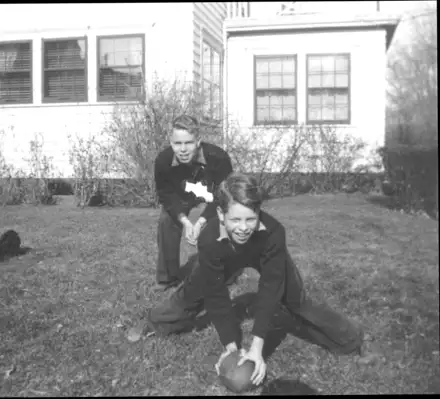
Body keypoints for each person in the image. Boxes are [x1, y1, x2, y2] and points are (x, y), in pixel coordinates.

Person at [137, 172, 369, 386]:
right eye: (235, 220)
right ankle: (156, 323)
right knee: (194, 290)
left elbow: (270, 288)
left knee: (296, 300)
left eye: (250, 219)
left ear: (259, 213)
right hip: (224, 253)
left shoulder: (273, 232)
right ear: (220, 214)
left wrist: (257, 346)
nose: (243, 228)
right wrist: (230, 346)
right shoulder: (208, 239)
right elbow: (216, 295)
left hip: (262, 254)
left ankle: (351, 338)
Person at [153, 114, 233, 291]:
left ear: (198, 141)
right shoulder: (163, 161)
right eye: (177, 143)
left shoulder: (218, 158)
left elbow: (223, 196)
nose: (182, 149)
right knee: (166, 221)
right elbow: (167, 196)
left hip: (211, 198)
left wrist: (201, 222)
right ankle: (167, 278)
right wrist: (185, 221)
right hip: (182, 198)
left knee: (221, 221)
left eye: (188, 143)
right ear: (171, 142)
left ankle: (221, 272)